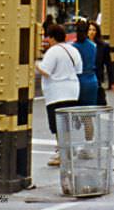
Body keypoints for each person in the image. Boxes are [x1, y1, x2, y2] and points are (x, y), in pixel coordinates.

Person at [35, 22, 82, 166]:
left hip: (57, 93)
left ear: (52, 37)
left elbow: (46, 71)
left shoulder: (53, 51)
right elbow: (79, 69)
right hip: (73, 91)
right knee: (67, 124)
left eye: (47, 37)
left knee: (57, 126)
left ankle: (62, 154)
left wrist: (34, 64)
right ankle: (68, 150)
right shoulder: (73, 50)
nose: (46, 40)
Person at [87, 20, 114, 105]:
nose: (91, 32)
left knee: (100, 103)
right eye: (89, 30)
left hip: (97, 79)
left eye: (94, 30)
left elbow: (109, 65)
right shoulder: (83, 46)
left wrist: (112, 82)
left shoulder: (103, 46)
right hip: (86, 79)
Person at [73, 19, 99, 105]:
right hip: (92, 80)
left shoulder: (74, 47)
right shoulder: (93, 46)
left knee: (77, 112)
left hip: (78, 80)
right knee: (90, 111)